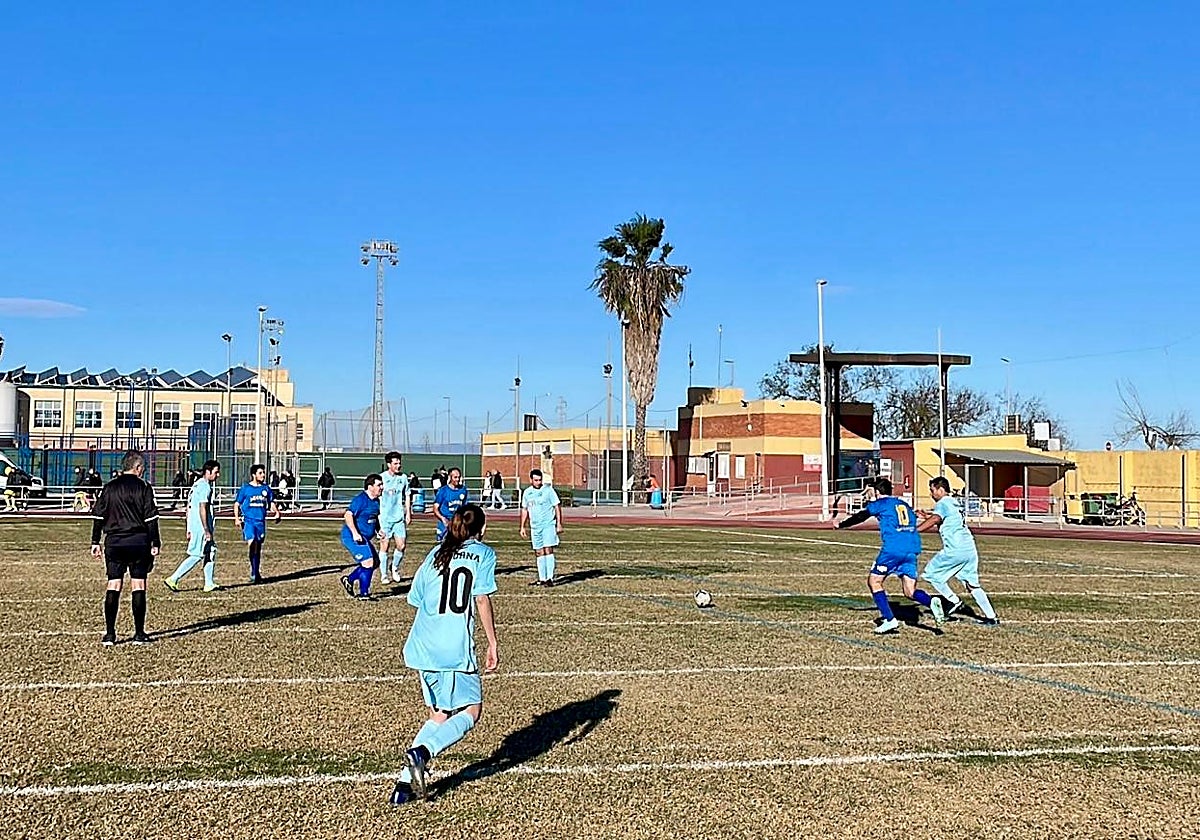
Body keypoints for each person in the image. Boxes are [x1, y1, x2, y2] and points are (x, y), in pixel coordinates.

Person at [389, 503, 499, 805]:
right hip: (454, 647)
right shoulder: (484, 554)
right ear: (481, 529)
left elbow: (416, 599)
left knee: (438, 715)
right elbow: (481, 599)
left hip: (423, 643)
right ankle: (423, 753)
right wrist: (492, 642)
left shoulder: (436, 554)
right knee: (471, 711)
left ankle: (403, 786)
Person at [833, 477, 937, 634]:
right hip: (912, 548)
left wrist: (841, 524)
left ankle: (889, 619)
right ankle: (931, 602)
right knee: (910, 591)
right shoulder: (902, 504)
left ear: (877, 491)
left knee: (874, 581)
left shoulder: (880, 504)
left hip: (894, 549)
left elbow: (861, 516)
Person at [90, 451, 161, 645]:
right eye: (143, 468)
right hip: (139, 541)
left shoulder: (109, 487)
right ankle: (139, 633)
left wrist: (95, 541)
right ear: (137, 468)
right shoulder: (144, 487)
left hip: (114, 542)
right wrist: (155, 542)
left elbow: (98, 516)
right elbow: (151, 518)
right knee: (138, 584)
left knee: (114, 584)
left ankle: (110, 634)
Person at [917, 476, 1000, 627]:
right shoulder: (954, 502)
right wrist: (925, 516)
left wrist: (915, 531)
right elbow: (943, 518)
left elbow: (936, 519)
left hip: (955, 549)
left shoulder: (942, 503)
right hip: (969, 548)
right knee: (972, 584)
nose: (931, 494)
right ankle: (991, 617)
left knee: (931, 574)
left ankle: (954, 601)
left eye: (932, 490)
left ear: (941, 490)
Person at [164, 460, 222, 592]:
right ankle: (173, 578)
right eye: (216, 472)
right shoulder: (204, 487)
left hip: (196, 526)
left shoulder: (196, 485)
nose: (218, 475)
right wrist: (206, 529)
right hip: (201, 527)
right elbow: (202, 508)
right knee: (196, 555)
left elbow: (188, 509)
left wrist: (188, 528)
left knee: (210, 551)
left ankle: (209, 583)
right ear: (208, 472)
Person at [234, 464, 281, 585]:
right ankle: (254, 573)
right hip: (249, 521)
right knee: (252, 544)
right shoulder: (246, 488)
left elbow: (270, 503)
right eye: (260, 473)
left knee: (257, 549)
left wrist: (276, 512)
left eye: (263, 472)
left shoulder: (266, 489)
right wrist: (237, 518)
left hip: (261, 522)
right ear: (254, 474)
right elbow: (237, 504)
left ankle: (256, 571)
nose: (263, 475)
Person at [340, 474, 384, 600]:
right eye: (379, 485)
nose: (382, 487)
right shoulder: (360, 500)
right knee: (368, 562)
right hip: (352, 536)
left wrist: (378, 530)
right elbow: (348, 515)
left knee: (375, 562)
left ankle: (349, 579)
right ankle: (364, 594)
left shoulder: (376, 501)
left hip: (364, 537)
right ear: (370, 487)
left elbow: (373, 518)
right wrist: (355, 533)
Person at [520, 468, 563, 586]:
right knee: (538, 551)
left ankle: (550, 578)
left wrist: (559, 523)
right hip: (535, 527)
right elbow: (525, 510)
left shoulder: (548, 490)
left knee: (548, 549)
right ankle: (542, 578)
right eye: (536, 480)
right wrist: (522, 526)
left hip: (548, 525)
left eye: (540, 480)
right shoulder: (527, 493)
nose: (538, 482)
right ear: (531, 480)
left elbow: (556, 506)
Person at [379, 451, 412, 585]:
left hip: (398, 518)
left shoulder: (403, 478)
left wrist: (408, 513)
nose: (398, 465)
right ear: (389, 464)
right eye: (395, 463)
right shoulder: (381, 478)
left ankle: (395, 568)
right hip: (385, 519)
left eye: (399, 463)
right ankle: (383, 574)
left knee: (401, 545)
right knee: (384, 546)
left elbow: (407, 495)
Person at [434, 467, 468, 542]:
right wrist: (443, 519)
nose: (457, 479)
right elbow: (435, 509)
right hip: (445, 524)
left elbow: (465, 507)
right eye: (455, 477)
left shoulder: (463, 490)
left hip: (457, 523)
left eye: (459, 477)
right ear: (450, 477)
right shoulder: (443, 491)